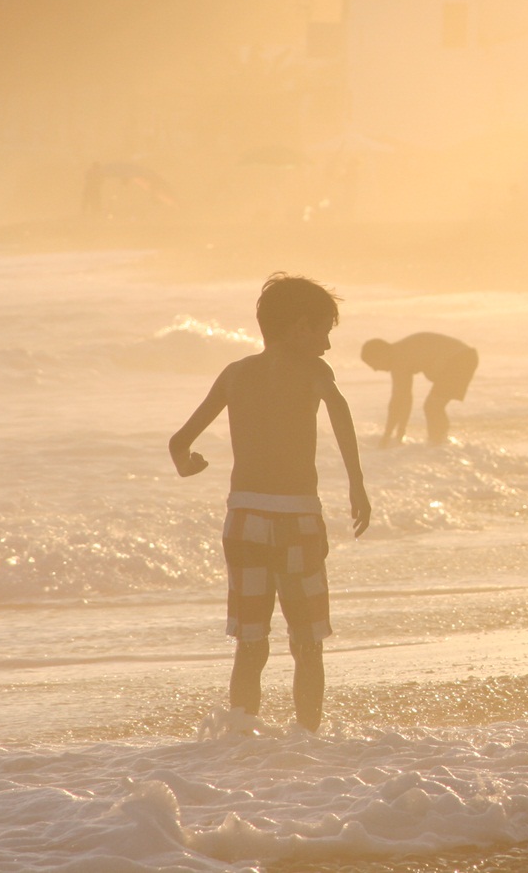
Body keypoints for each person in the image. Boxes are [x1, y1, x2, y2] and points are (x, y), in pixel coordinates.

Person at [168, 273, 371, 732]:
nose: (326, 346)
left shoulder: (236, 374)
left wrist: (186, 464)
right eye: (323, 332)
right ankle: (308, 739)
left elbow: (178, 442)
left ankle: (241, 741)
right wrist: (356, 484)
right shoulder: (314, 372)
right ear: (300, 327)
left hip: (243, 522)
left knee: (251, 643)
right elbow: (341, 414)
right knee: (307, 643)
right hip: (297, 519)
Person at [359, 332, 480, 446]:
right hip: (464, 356)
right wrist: (399, 433)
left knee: (432, 407)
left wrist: (387, 435)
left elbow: (398, 401)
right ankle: (440, 442)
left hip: (460, 359)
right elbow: (404, 400)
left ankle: (438, 444)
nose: (375, 369)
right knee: (433, 407)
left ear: (382, 355)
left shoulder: (398, 358)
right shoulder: (399, 354)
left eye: (373, 364)